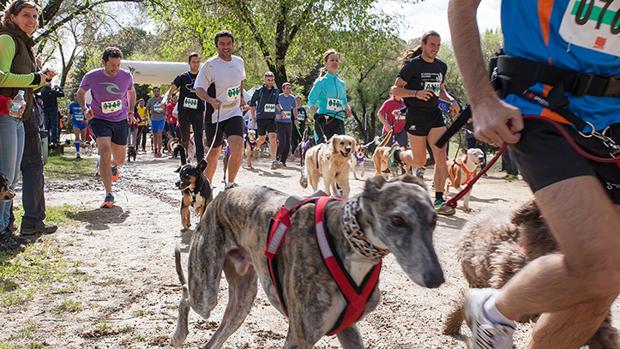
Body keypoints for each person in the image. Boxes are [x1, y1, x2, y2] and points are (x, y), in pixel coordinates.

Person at [448, 1, 620, 348]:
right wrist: (481, 98)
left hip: (613, 122)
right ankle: (491, 309)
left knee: (597, 288)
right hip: (538, 106)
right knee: (602, 267)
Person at [0, 0, 56, 250]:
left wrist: (42, 79)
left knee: (10, 179)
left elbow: (25, 82)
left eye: (35, 16)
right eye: (26, 15)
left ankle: (4, 228)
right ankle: (2, 232)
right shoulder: (7, 39)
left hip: (18, 116)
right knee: (5, 178)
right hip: (4, 116)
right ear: (11, 16)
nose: (32, 21)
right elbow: (1, 77)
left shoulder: (23, 42)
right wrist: (34, 77)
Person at [389, 32, 461, 216]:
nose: (435, 48)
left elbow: (442, 91)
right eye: (432, 45)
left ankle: (438, 200)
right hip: (415, 116)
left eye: (438, 45)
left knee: (440, 155)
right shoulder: (412, 66)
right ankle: (397, 155)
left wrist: (452, 101)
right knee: (420, 161)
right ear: (423, 44)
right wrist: (416, 94)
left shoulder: (441, 66)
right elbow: (395, 90)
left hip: (434, 116)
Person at [76, 47, 136, 208]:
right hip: (99, 119)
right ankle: (109, 193)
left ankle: (109, 164)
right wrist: (84, 109)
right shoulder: (92, 76)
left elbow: (132, 92)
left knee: (120, 160)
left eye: (118, 65)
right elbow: (80, 93)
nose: (115, 69)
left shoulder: (126, 76)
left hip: (120, 120)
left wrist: (131, 111)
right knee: (104, 151)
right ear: (103, 62)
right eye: (111, 65)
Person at [194, 30, 246, 189]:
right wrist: (210, 100)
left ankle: (229, 184)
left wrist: (241, 96)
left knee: (238, 146)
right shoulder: (210, 65)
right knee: (214, 152)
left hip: (234, 112)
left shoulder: (239, 62)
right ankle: (206, 188)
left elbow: (240, 81)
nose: (226, 47)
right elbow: (199, 89)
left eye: (229, 43)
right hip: (215, 115)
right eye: (222, 44)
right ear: (216, 46)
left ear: (233, 45)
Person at [162, 53, 206, 163]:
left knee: (198, 138)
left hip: (198, 111)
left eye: (197, 62)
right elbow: (172, 89)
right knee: (184, 138)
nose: (195, 64)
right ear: (189, 63)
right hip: (184, 111)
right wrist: (166, 98)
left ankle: (200, 163)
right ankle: (184, 162)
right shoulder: (183, 77)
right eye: (193, 62)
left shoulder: (203, 77)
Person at [308, 49, 352, 144]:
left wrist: (347, 109)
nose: (334, 62)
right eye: (332, 60)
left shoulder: (341, 83)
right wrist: (315, 114)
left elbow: (344, 101)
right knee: (324, 151)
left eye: (336, 60)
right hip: (324, 119)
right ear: (326, 63)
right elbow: (311, 100)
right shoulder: (321, 82)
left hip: (339, 120)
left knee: (340, 152)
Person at [250, 71, 280, 169]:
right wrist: (253, 116)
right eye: (268, 80)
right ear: (265, 80)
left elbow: (276, 103)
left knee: (273, 138)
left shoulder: (276, 91)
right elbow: (252, 103)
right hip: (261, 117)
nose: (270, 82)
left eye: (272, 80)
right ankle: (255, 147)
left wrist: (282, 111)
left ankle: (274, 161)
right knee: (262, 139)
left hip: (271, 118)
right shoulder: (259, 91)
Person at [275, 82, 297, 167]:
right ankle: (276, 159)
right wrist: (277, 113)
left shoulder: (292, 98)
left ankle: (283, 161)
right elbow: (274, 106)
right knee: (282, 142)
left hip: (288, 122)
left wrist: (295, 118)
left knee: (288, 143)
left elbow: (294, 109)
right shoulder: (279, 97)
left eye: (289, 88)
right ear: (283, 89)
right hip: (279, 122)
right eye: (286, 88)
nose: (288, 89)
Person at [146, 86, 165, 158]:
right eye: (155, 91)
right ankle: (155, 149)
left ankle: (160, 151)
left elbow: (166, 108)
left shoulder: (163, 99)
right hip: (154, 119)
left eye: (157, 91)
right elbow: (147, 109)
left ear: (159, 91)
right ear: (153, 92)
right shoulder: (150, 100)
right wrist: (146, 116)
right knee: (155, 135)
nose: (156, 92)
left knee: (159, 134)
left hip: (161, 119)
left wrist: (165, 114)